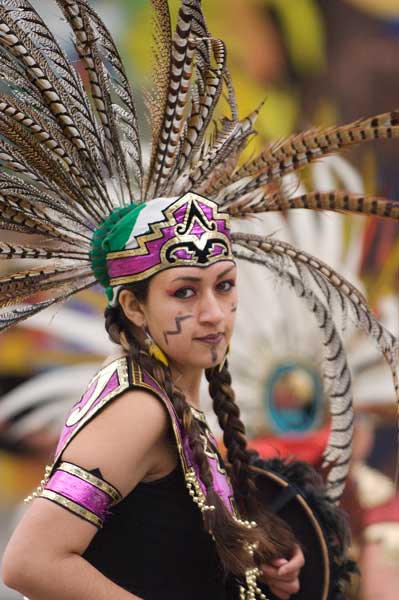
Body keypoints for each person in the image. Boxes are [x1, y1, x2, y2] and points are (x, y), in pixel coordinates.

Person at [0, 1, 397, 599]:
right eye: (185, 292)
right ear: (133, 307)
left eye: (225, 285)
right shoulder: (138, 409)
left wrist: (254, 569)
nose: (213, 312)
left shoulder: (173, 402)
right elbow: (30, 562)